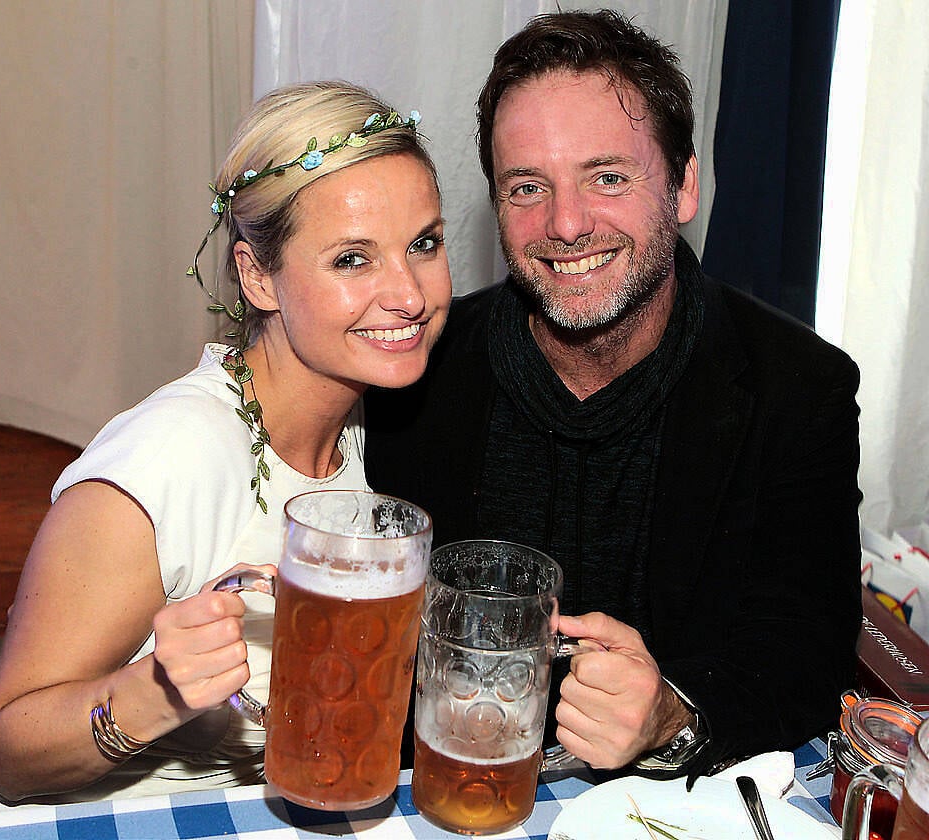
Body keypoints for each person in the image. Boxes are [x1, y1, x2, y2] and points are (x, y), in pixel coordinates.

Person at [0, 81, 451, 814]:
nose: (409, 294)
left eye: (423, 243)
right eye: (352, 260)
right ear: (257, 276)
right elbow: (8, 754)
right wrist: (153, 693)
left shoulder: (366, 417)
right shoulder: (175, 453)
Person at [364, 10, 862, 780]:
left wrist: (672, 708)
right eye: (527, 186)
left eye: (608, 177)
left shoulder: (797, 388)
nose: (566, 223)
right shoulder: (414, 375)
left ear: (684, 186)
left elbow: (804, 649)